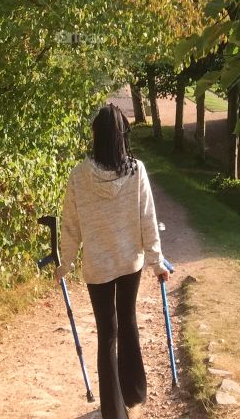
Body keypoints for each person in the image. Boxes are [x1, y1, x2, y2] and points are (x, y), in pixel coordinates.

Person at [58, 102, 170, 419]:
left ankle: (114, 411)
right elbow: (148, 220)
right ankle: (134, 390)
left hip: (98, 267)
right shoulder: (137, 171)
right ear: (123, 136)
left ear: (96, 136)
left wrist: (65, 263)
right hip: (129, 262)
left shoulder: (79, 175)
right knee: (128, 322)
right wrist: (157, 262)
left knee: (107, 333)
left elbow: (71, 225)